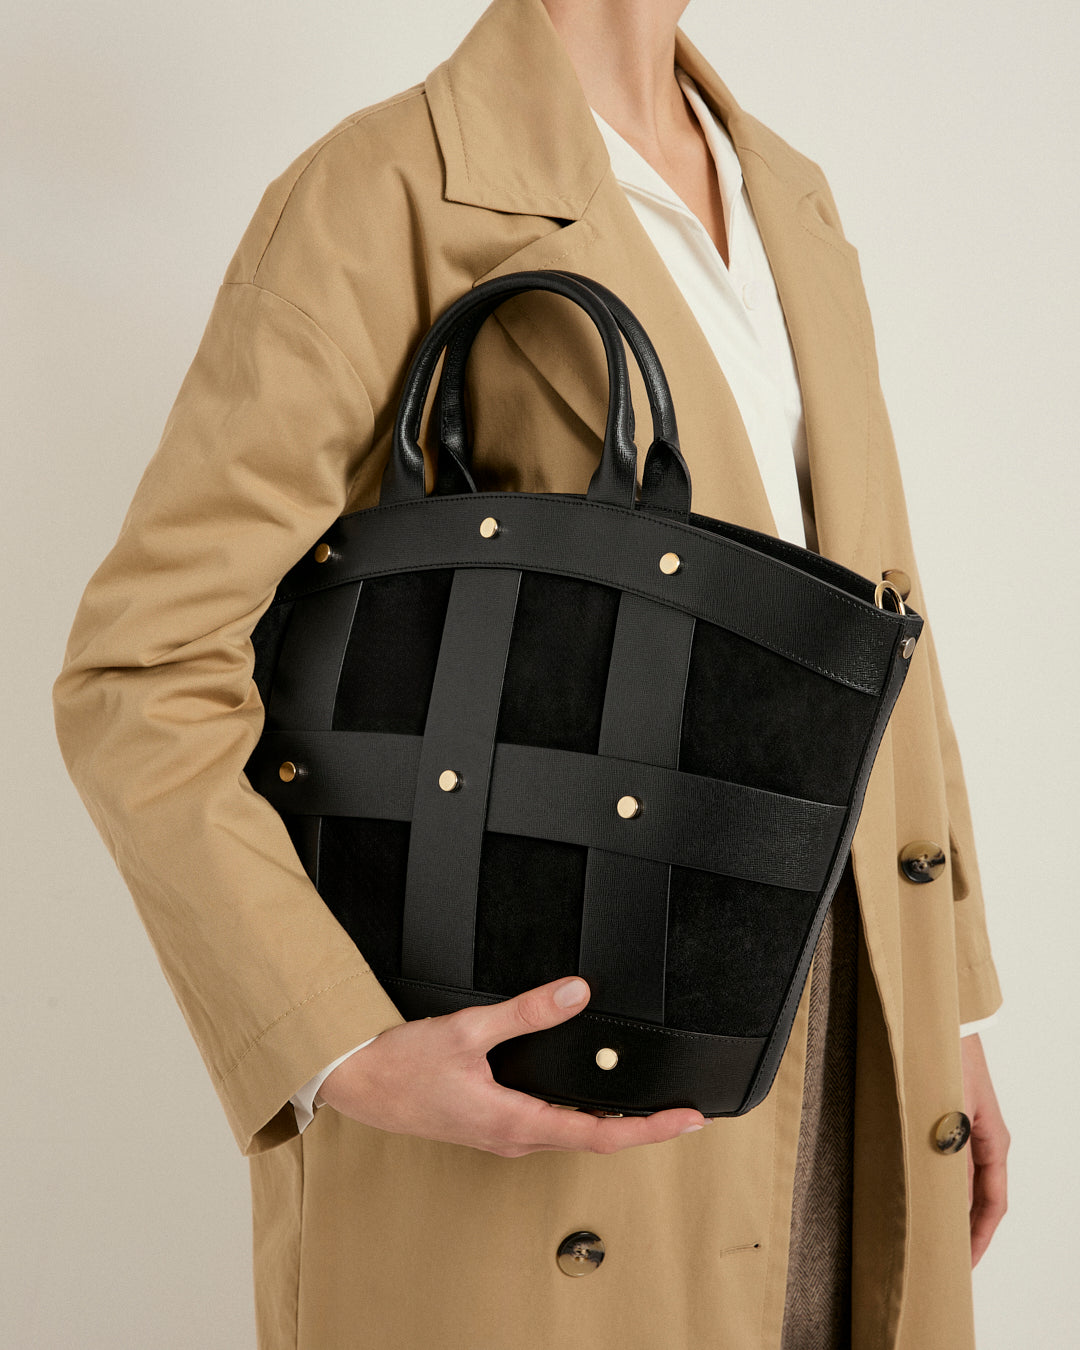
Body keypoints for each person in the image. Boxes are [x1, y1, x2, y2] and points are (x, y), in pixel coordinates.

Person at [52, 0, 1008, 1346]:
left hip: (852, 1045)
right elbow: (143, 666)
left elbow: (885, 633)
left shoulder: (788, 196)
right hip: (548, 1105)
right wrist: (335, 1042)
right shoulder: (382, 194)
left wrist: (945, 1006)